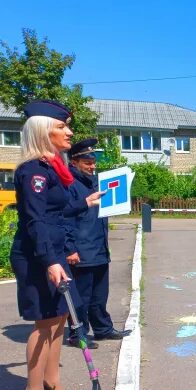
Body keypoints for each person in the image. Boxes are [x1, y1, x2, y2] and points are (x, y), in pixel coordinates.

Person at [10, 100, 104, 390]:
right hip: (38, 255)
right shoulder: (33, 171)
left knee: (60, 317)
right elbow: (36, 221)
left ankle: (51, 382)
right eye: (62, 127)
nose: (69, 131)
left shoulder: (52, 168)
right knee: (44, 322)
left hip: (53, 253)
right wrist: (51, 261)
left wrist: (85, 202)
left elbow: (57, 212)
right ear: (42, 131)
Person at [65, 138, 132, 344]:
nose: (92, 166)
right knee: (81, 297)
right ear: (74, 162)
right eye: (87, 163)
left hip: (100, 247)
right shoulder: (69, 185)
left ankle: (103, 328)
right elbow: (64, 218)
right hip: (81, 250)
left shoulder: (96, 182)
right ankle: (79, 333)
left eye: (93, 162)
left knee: (100, 295)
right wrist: (70, 249)